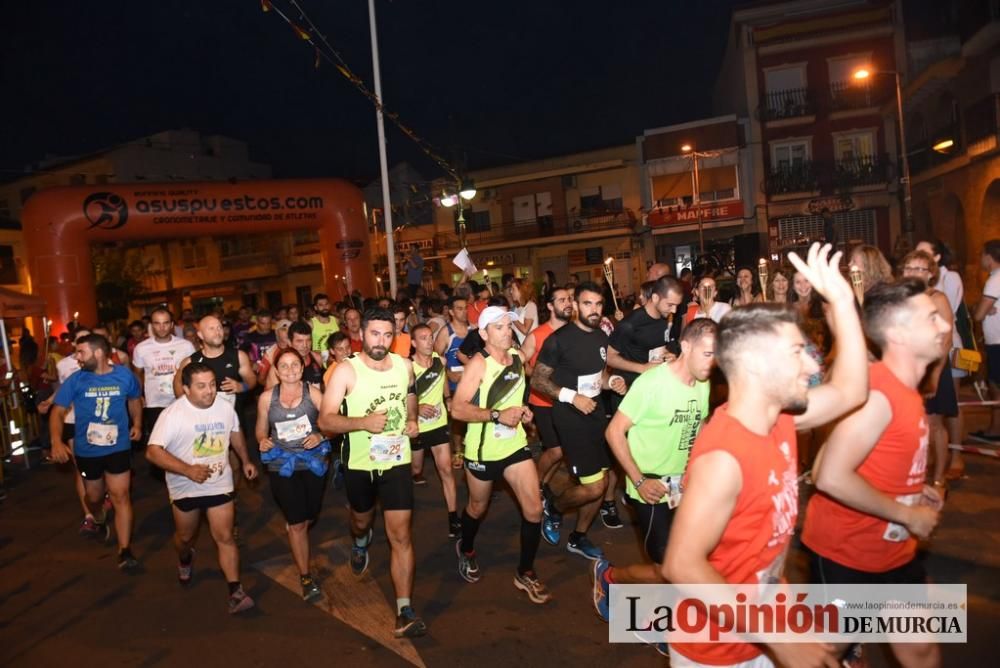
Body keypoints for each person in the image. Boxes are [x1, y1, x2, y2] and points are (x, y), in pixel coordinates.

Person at [663, 243, 869, 668]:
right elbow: (681, 564)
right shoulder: (723, 456)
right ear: (756, 364)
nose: (811, 368)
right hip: (717, 651)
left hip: (768, 625)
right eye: (797, 353)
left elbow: (851, 390)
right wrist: (780, 638)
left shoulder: (781, 418)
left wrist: (845, 302)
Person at [803, 279, 948, 668]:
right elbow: (828, 474)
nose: (945, 326)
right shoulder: (878, 393)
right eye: (931, 318)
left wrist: (911, 491)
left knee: (922, 649)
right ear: (899, 332)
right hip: (845, 554)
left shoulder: (906, 389)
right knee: (826, 652)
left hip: (894, 553)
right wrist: (907, 513)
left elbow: (877, 460)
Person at [592, 318, 717, 620]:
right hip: (650, 489)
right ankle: (610, 578)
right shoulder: (652, 383)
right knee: (666, 568)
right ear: (686, 346)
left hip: (684, 487)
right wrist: (639, 480)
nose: (713, 363)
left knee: (685, 563)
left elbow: (698, 425)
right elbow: (614, 432)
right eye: (708, 354)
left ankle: (674, 624)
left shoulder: (703, 383)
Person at [319, 307, 426, 639]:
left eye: (388, 334)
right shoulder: (344, 371)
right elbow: (325, 421)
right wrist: (363, 423)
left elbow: (410, 393)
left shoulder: (404, 366)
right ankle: (361, 540)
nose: (381, 341)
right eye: (375, 334)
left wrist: (411, 419)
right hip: (360, 463)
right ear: (362, 334)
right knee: (361, 520)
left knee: (401, 536)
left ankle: (404, 610)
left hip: (395, 461)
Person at [451, 306, 551, 603]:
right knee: (477, 508)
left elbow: (514, 396)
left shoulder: (518, 358)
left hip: (515, 446)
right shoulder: (478, 365)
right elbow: (456, 408)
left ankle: (526, 571)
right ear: (484, 334)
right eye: (499, 327)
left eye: (508, 326)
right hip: (483, 451)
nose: (507, 331)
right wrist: (496, 414)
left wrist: (522, 412)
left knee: (534, 510)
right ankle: (466, 548)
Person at [146, 363, 258, 614]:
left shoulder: (224, 406)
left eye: (212, 384)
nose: (209, 391)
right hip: (185, 486)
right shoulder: (173, 414)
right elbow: (153, 452)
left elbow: (235, 433)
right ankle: (185, 558)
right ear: (186, 389)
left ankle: (235, 591)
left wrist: (246, 460)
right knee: (185, 538)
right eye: (201, 386)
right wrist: (187, 470)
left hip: (219, 481)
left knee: (225, 536)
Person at [531, 282, 628, 560]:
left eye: (598, 304)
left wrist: (613, 381)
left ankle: (578, 536)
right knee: (595, 486)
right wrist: (571, 397)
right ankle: (554, 507)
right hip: (570, 417)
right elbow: (538, 380)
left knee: (602, 480)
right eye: (587, 303)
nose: (594, 309)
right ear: (575, 305)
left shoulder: (600, 337)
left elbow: (597, 379)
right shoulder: (559, 339)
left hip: (596, 413)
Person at [49, 333, 144, 571]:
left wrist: (138, 424)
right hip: (87, 450)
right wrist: (56, 442)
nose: (77, 357)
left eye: (81, 352)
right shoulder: (76, 380)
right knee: (93, 496)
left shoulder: (124, 375)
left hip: (118, 446)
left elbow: (134, 400)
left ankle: (125, 550)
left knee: (121, 495)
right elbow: (57, 411)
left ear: (99, 352)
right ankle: (99, 517)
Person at [255, 349, 329, 603]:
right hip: (282, 464)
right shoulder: (267, 399)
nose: (289, 370)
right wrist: (262, 441)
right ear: (276, 370)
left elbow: (332, 423)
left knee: (310, 514)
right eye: (283, 366)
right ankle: (306, 576)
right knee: (297, 523)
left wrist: (321, 435)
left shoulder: (314, 394)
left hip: (313, 464)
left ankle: (298, 524)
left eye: (294, 365)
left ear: (302, 367)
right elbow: (260, 431)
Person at [900, 251, 956, 489]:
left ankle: (939, 477)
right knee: (914, 424)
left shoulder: (938, 298)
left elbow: (946, 340)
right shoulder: (903, 297)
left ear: (931, 273)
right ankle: (917, 474)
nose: (913, 273)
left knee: (934, 424)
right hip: (909, 367)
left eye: (919, 269)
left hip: (933, 367)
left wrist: (934, 375)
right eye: (909, 268)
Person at [916, 239, 966, 478]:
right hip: (922, 357)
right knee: (928, 417)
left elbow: (948, 322)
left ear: (935, 259)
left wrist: (935, 372)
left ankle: (954, 457)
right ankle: (931, 460)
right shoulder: (911, 291)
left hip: (946, 350)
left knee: (949, 407)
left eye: (923, 253)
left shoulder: (949, 280)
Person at [520, 288, 574, 502]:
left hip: (569, 400)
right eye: (562, 300)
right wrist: (542, 377)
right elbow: (521, 363)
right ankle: (535, 485)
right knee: (556, 450)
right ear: (550, 306)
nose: (568, 303)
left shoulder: (574, 332)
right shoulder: (537, 335)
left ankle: (542, 485)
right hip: (543, 401)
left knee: (564, 450)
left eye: (569, 299)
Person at [409, 323, 460, 536]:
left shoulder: (440, 360)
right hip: (417, 428)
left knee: (446, 470)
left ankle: (453, 517)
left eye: (430, 337)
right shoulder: (408, 367)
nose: (429, 341)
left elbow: (443, 381)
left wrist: (447, 398)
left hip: (438, 425)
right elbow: (401, 397)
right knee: (416, 469)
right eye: (423, 338)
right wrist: (418, 407)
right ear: (413, 343)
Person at [132, 307, 196, 475]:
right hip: (155, 404)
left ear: (172, 325)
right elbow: (138, 374)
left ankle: (188, 474)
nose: (162, 327)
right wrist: (139, 396)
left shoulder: (186, 346)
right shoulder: (141, 348)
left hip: (182, 402)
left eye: (166, 323)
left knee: (187, 443)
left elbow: (194, 373)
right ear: (152, 326)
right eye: (157, 324)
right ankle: (169, 480)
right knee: (160, 447)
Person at [174, 315, 256, 406]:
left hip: (233, 416)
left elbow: (251, 379)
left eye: (219, 328)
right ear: (200, 335)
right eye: (211, 329)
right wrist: (185, 406)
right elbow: (178, 382)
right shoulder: (191, 361)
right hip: (204, 418)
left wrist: (241, 386)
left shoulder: (239, 355)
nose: (217, 332)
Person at [435, 295, 470, 468]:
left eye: (465, 308)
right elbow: (435, 359)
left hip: (473, 381)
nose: (464, 312)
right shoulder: (446, 333)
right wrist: (448, 373)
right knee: (458, 420)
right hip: (455, 383)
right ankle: (457, 451)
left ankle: (472, 450)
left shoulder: (474, 330)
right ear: (451, 311)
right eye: (459, 308)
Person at [265, 322, 324, 390]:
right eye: (299, 341)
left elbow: (322, 386)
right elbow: (269, 397)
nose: (305, 345)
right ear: (289, 342)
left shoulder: (317, 358)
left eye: (308, 340)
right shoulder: (279, 366)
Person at [508, 278, 539, 346]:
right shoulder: (516, 308)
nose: (511, 292)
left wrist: (513, 318)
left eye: (513, 289)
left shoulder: (531, 306)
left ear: (521, 291)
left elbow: (525, 330)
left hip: (529, 347)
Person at [310, 294, 341, 361]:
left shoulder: (336, 321)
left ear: (329, 305)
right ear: (315, 307)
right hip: (320, 363)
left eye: (326, 304)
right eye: (321, 305)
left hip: (336, 361)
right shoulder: (311, 324)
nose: (324, 307)